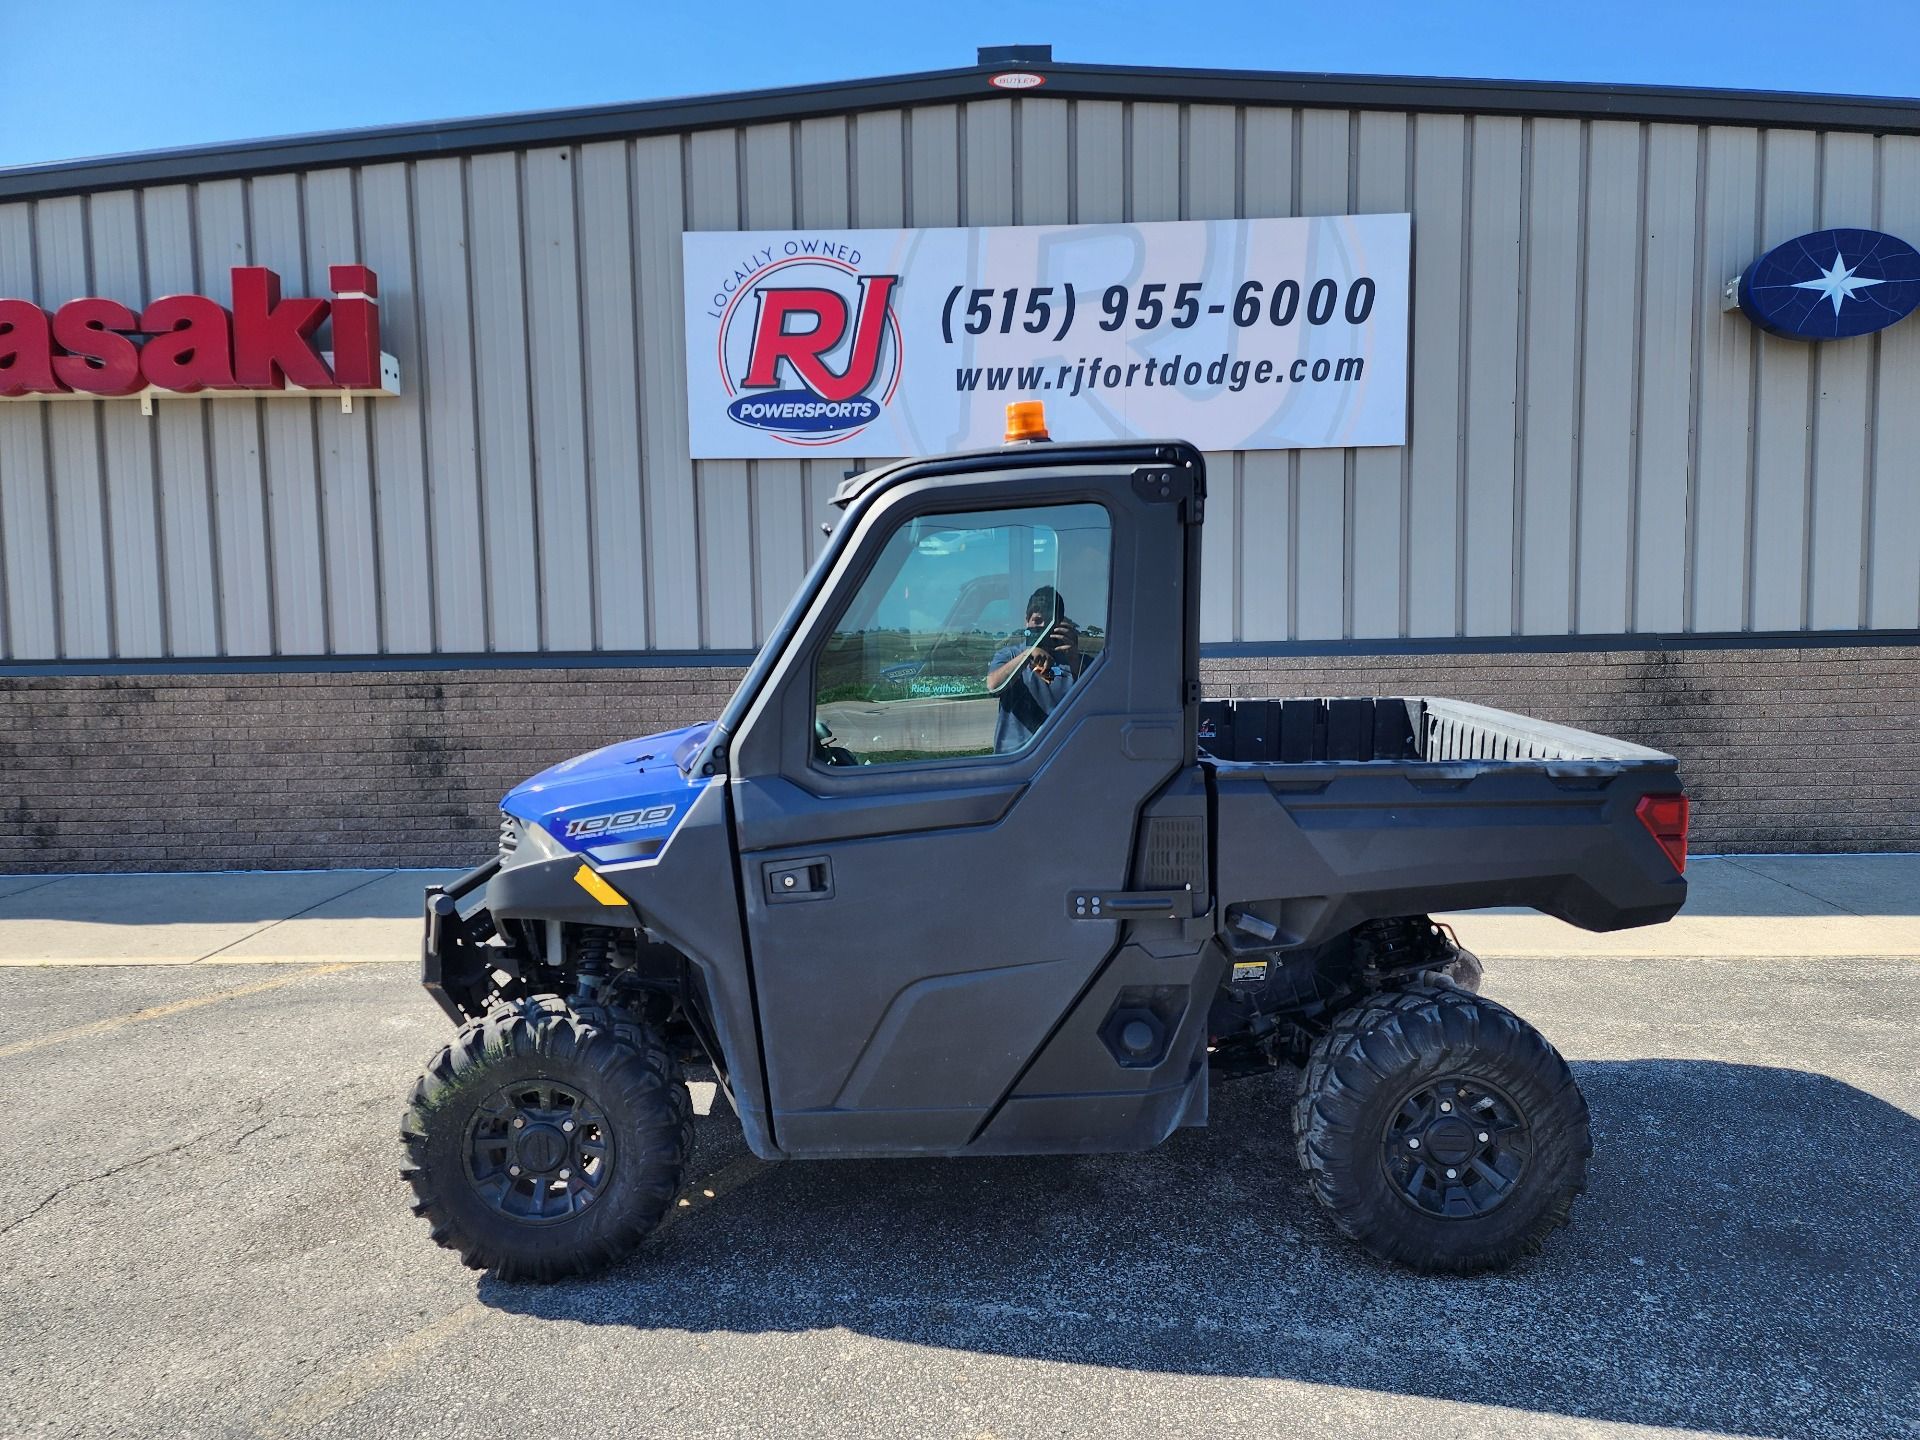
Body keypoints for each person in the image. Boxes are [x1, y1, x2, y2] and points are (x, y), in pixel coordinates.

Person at [986, 585, 1081, 754]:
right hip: (1013, 757)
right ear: (1026, 621)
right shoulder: (1009, 655)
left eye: (1049, 621)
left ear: (1060, 624)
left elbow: (1095, 696)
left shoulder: (1075, 660)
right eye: (1037, 620)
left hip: (1060, 756)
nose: (1042, 626)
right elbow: (993, 685)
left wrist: (1074, 659)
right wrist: (1027, 655)